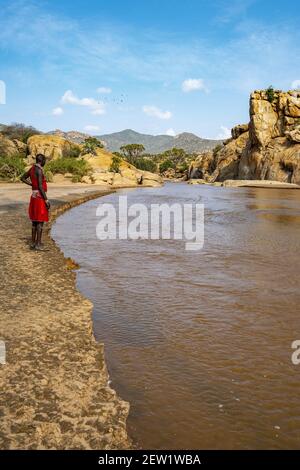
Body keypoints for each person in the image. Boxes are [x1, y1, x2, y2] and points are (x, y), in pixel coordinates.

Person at [21, 154, 50, 250]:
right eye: (45, 160)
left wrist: (32, 185)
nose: (45, 162)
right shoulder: (39, 170)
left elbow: (22, 178)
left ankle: (33, 243)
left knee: (34, 221)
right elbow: (41, 187)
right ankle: (38, 244)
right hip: (39, 197)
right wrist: (46, 199)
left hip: (33, 196)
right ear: (42, 161)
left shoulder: (32, 169)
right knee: (40, 221)